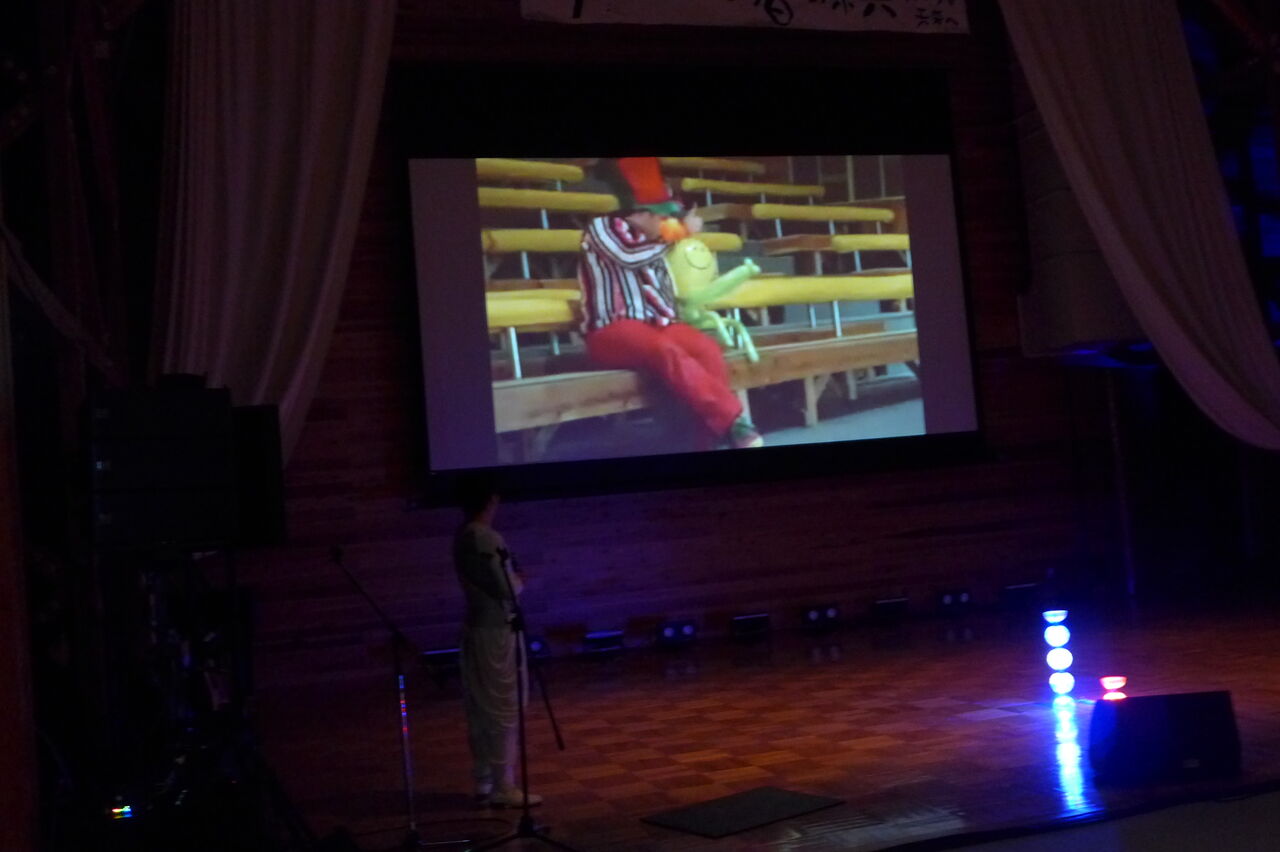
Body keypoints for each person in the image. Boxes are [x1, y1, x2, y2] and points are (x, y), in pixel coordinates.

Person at [579, 157, 764, 450]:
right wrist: (681, 232)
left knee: (706, 349)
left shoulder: (659, 240)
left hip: (659, 324)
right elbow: (630, 256)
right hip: (610, 330)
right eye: (661, 217)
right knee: (664, 350)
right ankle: (733, 422)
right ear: (639, 215)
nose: (667, 223)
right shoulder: (601, 228)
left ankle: (705, 442)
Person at [452, 475, 541, 808]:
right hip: (496, 634)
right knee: (503, 706)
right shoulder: (486, 537)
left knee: (480, 706)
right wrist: (519, 579)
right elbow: (506, 588)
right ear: (491, 500)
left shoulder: (462, 535)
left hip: (476, 628)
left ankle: (484, 778)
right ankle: (504, 784)